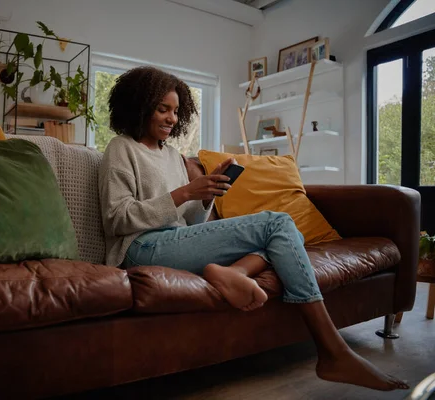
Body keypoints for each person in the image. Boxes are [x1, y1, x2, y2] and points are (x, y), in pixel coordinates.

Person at [98, 66, 409, 392]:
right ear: (140, 105)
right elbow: (117, 218)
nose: (172, 118)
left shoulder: (173, 156)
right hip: (140, 248)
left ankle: (237, 272)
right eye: (163, 109)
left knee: (289, 235)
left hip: (173, 242)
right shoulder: (121, 149)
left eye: (176, 111)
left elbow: (189, 224)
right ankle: (334, 351)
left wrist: (206, 197)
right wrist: (185, 192)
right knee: (278, 224)